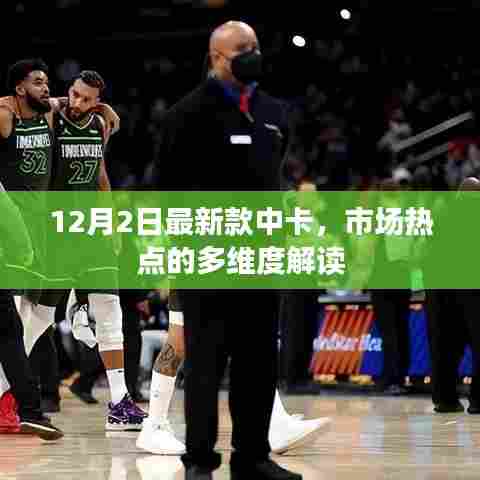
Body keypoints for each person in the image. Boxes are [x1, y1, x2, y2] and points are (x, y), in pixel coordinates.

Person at [152, 21, 305, 480]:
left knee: (258, 364)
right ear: (217, 57)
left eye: (255, 46)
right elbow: (166, 192)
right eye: (242, 49)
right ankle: (200, 461)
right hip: (208, 258)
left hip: (261, 259)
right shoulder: (186, 114)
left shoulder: (274, 112)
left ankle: (252, 457)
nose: (252, 54)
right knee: (205, 364)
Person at [0, 70, 147, 430]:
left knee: (110, 309)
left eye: (87, 98)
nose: (79, 102)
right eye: (75, 94)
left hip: (91, 228)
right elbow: (15, 103)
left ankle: (120, 402)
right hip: (57, 229)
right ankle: (3, 388)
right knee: (37, 320)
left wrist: (111, 221)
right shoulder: (50, 117)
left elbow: (100, 174)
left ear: (97, 101)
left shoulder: (98, 124)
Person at [0, 58, 63, 439]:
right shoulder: (5, 116)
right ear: (19, 88)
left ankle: (20, 404)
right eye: (37, 82)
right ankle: (16, 404)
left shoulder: (48, 113)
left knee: (31, 317)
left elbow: (68, 101)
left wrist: (104, 108)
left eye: (46, 81)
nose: (45, 87)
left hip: (39, 228)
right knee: (13, 319)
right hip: (11, 227)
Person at [424, 177, 480, 413]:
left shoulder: (440, 217)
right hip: (472, 290)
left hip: (440, 292)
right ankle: (477, 401)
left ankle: (444, 399)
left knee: (444, 347)